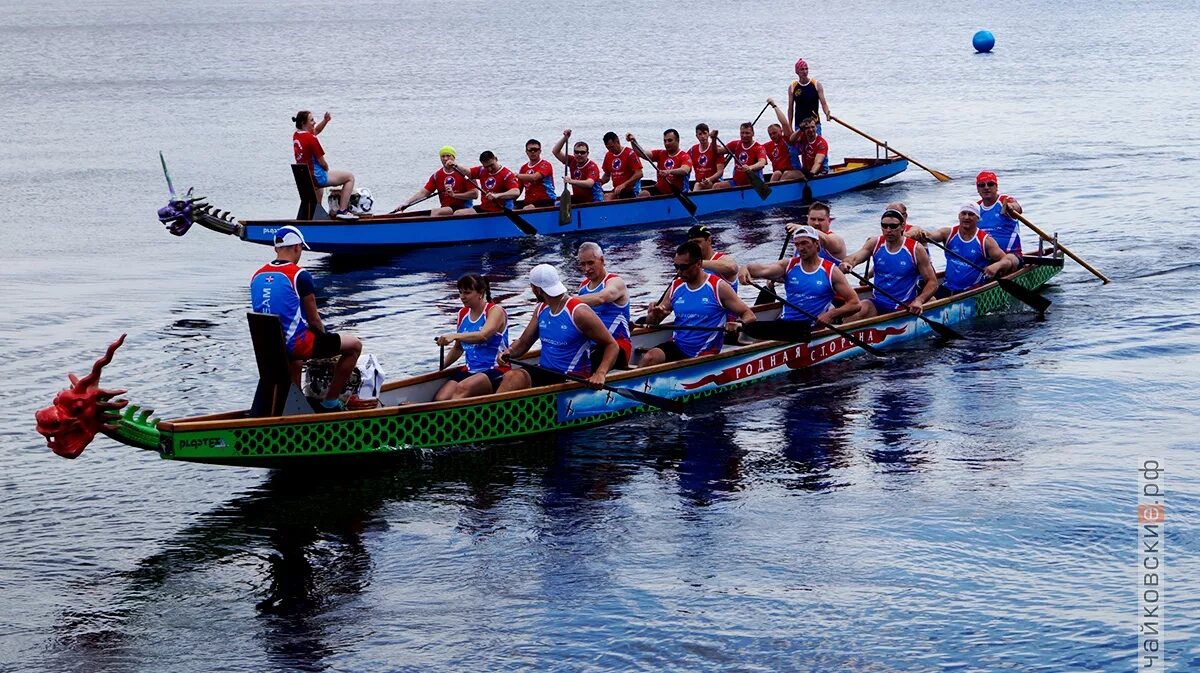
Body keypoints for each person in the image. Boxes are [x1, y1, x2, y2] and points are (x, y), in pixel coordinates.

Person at [249, 225, 363, 410]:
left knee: (296, 357)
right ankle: (330, 402)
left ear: (276, 248)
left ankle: (298, 403)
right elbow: (314, 320)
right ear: (296, 247)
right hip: (295, 345)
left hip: (269, 348)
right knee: (354, 346)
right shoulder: (300, 275)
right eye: (301, 248)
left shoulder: (257, 275)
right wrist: (325, 347)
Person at [496, 264, 619, 391]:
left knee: (513, 377)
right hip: (546, 372)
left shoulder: (579, 312)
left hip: (571, 378)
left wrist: (600, 373)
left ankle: (495, 408)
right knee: (508, 377)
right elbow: (523, 343)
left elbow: (612, 345)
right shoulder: (541, 309)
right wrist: (508, 352)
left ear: (537, 289)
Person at [639, 242, 756, 366]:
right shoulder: (675, 287)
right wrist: (652, 316)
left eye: (684, 267)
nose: (679, 272)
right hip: (678, 346)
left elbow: (749, 314)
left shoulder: (718, 287)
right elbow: (653, 322)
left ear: (699, 264)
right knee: (650, 357)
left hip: (707, 351)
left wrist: (739, 324)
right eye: (676, 267)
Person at [739, 225, 860, 326]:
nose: (800, 248)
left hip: (812, 327)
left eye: (804, 243)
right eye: (797, 244)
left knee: (760, 338)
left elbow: (855, 303)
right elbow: (762, 269)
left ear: (816, 244)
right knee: (753, 331)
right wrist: (746, 268)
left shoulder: (831, 271)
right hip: (787, 322)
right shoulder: (788, 265)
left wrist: (830, 315)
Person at [839, 209, 940, 318]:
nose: (888, 230)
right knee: (853, 313)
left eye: (893, 226)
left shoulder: (915, 249)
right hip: (878, 303)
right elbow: (854, 258)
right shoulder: (875, 243)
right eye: (884, 226)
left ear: (902, 226)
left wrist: (919, 301)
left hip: (904, 306)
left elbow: (932, 282)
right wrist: (847, 263)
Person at [434, 274, 511, 400]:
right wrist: (440, 369)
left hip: (496, 370)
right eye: (460, 292)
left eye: (467, 293)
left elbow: (483, 335)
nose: (462, 297)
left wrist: (455, 335)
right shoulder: (462, 313)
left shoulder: (495, 311)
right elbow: (458, 348)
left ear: (481, 292)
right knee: (441, 398)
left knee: (461, 389)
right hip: (470, 370)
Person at [920, 204, 1017, 297]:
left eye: (971, 214)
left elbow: (1007, 260)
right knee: (927, 297)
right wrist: (921, 234)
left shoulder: (985, 241)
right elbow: (929, 236)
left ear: (978, 218)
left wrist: (997, 266)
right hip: (947, 287)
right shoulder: (948, 233)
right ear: (959, 216)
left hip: (972, 290)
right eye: (964, 213)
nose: (966, 217)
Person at [291, 110, 358, 220]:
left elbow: (316, 130)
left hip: (306, 178)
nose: (314, 122)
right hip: (318, 177)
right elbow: (322, 162)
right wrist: (326, 168)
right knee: (349, 177)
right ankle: (343, 211)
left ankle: (315, 219)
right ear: (303, 123)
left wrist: (325, 121)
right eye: (311, 120)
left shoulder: (297, 135)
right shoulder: (311, 139)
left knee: (320, 191)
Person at [575, 242, 632, 369]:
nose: (586, 269)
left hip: (617, 346)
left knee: (593, 358)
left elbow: (601, 298)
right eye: (582, 264)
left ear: (602, 260)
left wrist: (566, 301)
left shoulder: (615, 282)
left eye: (590, 263)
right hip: (592, 345)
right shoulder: (582, 288)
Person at [392, 146, 479, 215]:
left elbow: (474, 194)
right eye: (443, 156)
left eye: (448, 156)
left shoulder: (464, 173)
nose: (445, 159)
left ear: (454, 157)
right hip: (447, 208)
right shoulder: (437, 175)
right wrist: (406, 203)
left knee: (447, 212)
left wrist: (454, 195)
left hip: (464, 208)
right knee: (437, 212)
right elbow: (424, 192)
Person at [975, 170, 1024, 265]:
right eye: (982, 185)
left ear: (996, 187)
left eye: (990, 184)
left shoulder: (1004, 200)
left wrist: (1011, 207)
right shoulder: (976, 208)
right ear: (977, 189)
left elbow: (1018, 208)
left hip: (1010, 257)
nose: (986, 188)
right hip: (985, 259)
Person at [451, 151, 521, 215]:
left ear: (496, 159)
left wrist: (497, 195)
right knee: (458, 213)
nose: (489, 169)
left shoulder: (507, 174)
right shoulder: (482, 170)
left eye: (491, 165)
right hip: (484, 209)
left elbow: (516, 192)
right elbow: (467, 172)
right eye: (486, 167)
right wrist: (455, 165)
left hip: (501, 210)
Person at [627, 130, 692, 197]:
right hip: (660, 191)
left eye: (670, 140)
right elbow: (642, 153)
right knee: (643, 194)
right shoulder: (660, 153)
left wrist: (669, 172)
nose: (667, 143)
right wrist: (633, 142)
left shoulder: (684, 156)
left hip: (679, 192)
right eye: (665, 141)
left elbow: (685, 170)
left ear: (677, 140)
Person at [552, 129, 604, 203]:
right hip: (579, 198)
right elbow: (555, 151)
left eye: (582, 152)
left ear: (587, 153)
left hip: (594, 200)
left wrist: (571, 181)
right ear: (574, 153)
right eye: (577, 152)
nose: (579, 155)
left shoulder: (592, 166)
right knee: (558, 204)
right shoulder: (572, 161)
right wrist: (565, 138)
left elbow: (589, 183)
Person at [711, 123, 768, 190]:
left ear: (753, 134)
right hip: (736, 183)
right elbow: (716, 151)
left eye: (747, 133)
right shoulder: (735, 144)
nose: (744, 135)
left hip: (754, 184)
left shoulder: (759, 148)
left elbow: (762, 163)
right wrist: (713, 139)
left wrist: (750, 167)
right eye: (742, 133)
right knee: (716, 186)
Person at [787, 58, 832, 135]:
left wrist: (827, 113)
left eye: (806, 69)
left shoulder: (816, 84)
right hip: (800, 125)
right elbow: (790, 108)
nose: (805, 71)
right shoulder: (792, 87)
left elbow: (823, 103)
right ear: (797, 71)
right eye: (802, 69)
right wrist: (790, 126)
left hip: (814, 124)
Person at [600, 131, 644, 200]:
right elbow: (607, 175)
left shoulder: (630, 153)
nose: (610, 150)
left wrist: (624, 185)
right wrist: (600, 183)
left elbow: (639, 173)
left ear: (617, 141)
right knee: (604, 197)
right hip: (618, 190)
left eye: (612, 147)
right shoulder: (608, 155)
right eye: (608, 148)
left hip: (630, 190)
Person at [515, 138, 557, 209]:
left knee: (528, 208)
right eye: (530, 150)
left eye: (536, 150)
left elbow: (534, 177)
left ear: (540, 151)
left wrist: (516, 175)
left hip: (546, 200)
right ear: (526, 152)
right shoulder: (523, 168)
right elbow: (518, 190)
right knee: (510, 208)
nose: (533, 152)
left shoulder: (545, 165)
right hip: (528, 201)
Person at [689, 123, 724, 191]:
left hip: (714, 182)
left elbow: (720, 172)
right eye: (700, 134)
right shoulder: (692, 150)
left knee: (697, 185)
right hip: (700, 181)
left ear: (708, 134)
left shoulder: (716, 149)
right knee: (697, 184)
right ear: (696, 136)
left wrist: (709, 179)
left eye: (704, 133)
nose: (702, 136)